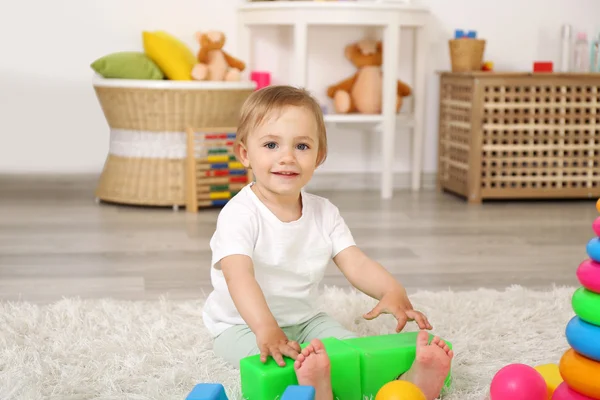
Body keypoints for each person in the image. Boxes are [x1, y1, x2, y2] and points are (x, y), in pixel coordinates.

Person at [202, 85, 454, 400]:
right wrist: (266, 328)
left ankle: (410, 382)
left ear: (319, 155)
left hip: (307, 320)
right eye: (271, 144)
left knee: (350, 350)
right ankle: (315, 388)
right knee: (272, 364)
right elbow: (238, 277)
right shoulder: (239, 215)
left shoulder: (324, 212)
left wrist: (392, 291)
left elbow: (356, 262)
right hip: (241, 324)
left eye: (302, 146)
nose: (287, 157)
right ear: (245, 154)